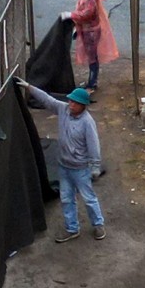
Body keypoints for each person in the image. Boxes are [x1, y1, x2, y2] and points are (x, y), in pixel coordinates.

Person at [18, 80, 104, 242]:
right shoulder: (63, 109)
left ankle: (98, 224)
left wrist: (95, 167)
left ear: (82, 105)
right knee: (66, 198)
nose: (70, 104)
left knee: (89, 198)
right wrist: (29, 87)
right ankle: (72, 229)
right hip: (64, 166)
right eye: (70, 100)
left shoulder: (87, 122)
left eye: (74, 102)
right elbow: (47, 99)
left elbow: (94, 145)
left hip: (81, 169)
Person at [63, 0, 117, 96]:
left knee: (92, 58)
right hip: (87, 30)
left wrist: (71, 15)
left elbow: (87, 14)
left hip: (91, 32)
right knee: (91, 57)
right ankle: (91, 82)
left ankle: (92, 84)